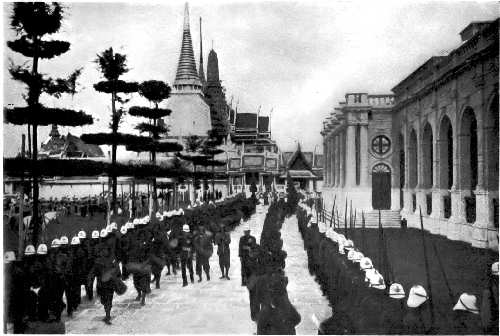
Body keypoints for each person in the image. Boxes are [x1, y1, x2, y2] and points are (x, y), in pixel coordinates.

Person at [88, 244, 120, 325]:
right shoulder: (98, 261)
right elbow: (93, 271)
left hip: (110, 283)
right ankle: (107, 312)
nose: (103, 252)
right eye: (102, 250)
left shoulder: (112, 259)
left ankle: (108, 315)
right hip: (101, 284)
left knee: (108, 299)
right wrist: (90, 278)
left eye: (105, 250)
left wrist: (117, 275)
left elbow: (116, 268)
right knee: (103, 300)